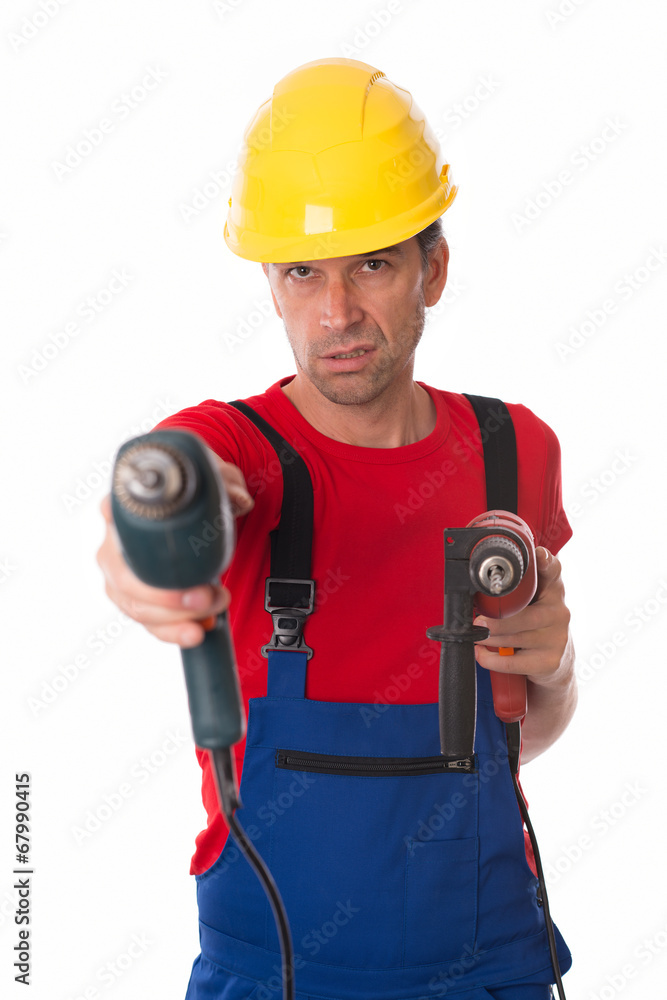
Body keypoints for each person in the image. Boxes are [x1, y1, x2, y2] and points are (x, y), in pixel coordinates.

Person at [96, 58, 577, 1000]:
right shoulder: (237, 447)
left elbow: (533, 728)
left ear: (430, 269)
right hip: (270, 972)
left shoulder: (515, 451)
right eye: (302, 272)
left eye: (372, 264)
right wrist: (152, 527)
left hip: (490, 967)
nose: (337, 313)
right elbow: (169, 480)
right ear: (271, 286)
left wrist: (550, 667)